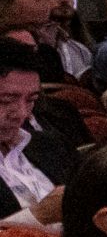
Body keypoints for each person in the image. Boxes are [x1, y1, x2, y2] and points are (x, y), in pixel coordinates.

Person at [0, 38, 80, 223]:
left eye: (31, 100)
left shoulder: (51, 145)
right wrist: (38, 216)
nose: (21, 114)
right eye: (5, 101)